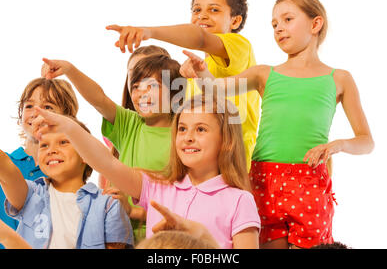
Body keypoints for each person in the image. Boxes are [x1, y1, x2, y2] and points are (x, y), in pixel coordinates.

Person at [179, 0, 374, 249]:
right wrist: (202, 72)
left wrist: (336, 145)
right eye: (274, 24)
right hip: (263, 179)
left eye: (287, 19)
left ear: (316, 24)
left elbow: (366, 141)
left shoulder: (339, 78)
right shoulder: (264, 74)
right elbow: (216, 90)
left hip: (310, 182)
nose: (279, 28)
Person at [32, 93, 261, 249]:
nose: (188, 136)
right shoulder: (155, 186)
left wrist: (202, 238)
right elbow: (106, 163)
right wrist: (68, 127)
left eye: (201, 129)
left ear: (226, 140)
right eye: (182, 129)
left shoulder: (239, 201)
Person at [106, 0, 260, 170]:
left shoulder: (239, 47)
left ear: (235, 21)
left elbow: (201, 39)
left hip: (232, 169)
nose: (202, 16)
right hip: (200, 174)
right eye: (197, 10)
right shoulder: (193, 69)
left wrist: (149, 32)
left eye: (214, 9)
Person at [41, 53, 184, 243]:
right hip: (114, 235)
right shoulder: (130, 124)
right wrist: (69, 70)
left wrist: (133, 211)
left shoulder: (183, 137)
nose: (142, 93)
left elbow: (182, 200)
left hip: (156, 240)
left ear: (175, 93)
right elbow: (99, 99)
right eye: (135, 87)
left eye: (152, 86)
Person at [0, 118, 133, 249]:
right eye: (44, 145)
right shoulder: (31, 194)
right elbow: (6, 168)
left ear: (86, 154)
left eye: (63, 142)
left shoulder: (108, 205)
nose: (51, 150)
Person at [0, 77, 79, 249]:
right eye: (29, 106)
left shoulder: (66, 175)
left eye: (48, 107)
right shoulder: (5, 163)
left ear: (66, 118)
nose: (36, 112)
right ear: (21, 114)